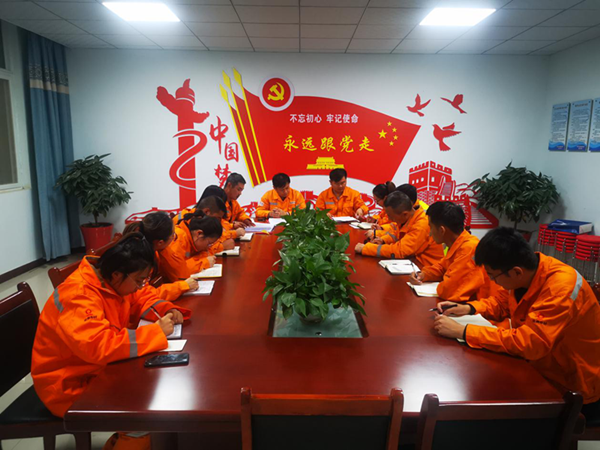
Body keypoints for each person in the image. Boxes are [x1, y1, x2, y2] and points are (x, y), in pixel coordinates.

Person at [31, 234, 191, 448]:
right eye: (139, 280)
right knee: (144, 413)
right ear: (117, 274)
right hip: (68, 385)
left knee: (155, 388)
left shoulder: (111, 280)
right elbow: (98, 346)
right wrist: (155, 333)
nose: (140, 286)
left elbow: (140, 298)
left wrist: (165, 308)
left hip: (93, 370)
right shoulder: (78, 294)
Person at [433, 226, 600, 411]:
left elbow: (530, 343)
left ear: (516, 272)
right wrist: (469, 308)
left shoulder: (560, 287)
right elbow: (502, 302)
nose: (493, 281)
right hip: (539, 368)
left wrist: (464, 331)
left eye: (492, 276)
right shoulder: (527, 272)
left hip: (571, 387)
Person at [409, 201, 494, 302]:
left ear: (442, 230)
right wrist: (423, 274)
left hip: (478, 307)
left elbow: (449, 291)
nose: (430, 233)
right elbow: (442, 267)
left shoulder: (468, 248)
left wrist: (443, 283)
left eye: (431, 227)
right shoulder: (457, 242)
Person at [123, 211, 198, 299]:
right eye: (173, 235)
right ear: (160, 242)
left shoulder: (155, 251)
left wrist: (163, 249)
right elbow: (145, 295)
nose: (174, 238)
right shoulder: (137, 259)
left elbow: (180, 276)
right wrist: (181, 287)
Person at [355, 191, 444, 265]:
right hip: (413, 262)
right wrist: (383, 240)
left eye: (391, 216)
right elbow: (396, 235)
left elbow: (400, 251)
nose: (389, 219)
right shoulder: (407, 218)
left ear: (404, 214)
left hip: (425, 267)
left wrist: (366, 249)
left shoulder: (421, 225)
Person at [159, 214, 223, 282]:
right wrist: (204, 263)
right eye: (208, 243)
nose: (208, 247)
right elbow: (178, 274)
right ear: (199, 233)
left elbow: (207, 253)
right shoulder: (179, 238)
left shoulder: (192, 240)